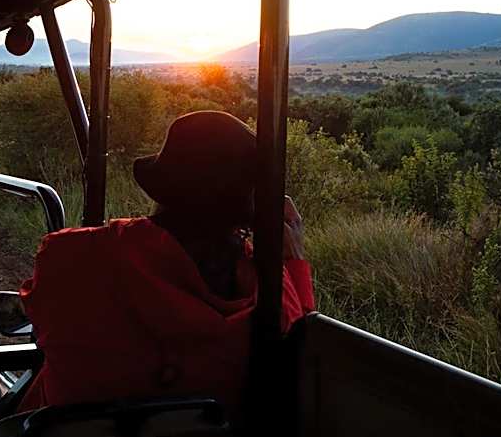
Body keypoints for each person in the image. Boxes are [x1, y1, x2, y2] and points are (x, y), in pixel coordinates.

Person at [18, 110, 315, 417]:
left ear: (163, 187)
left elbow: (42, 323)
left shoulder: (68, 255)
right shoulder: (270, 296)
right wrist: (292, 262)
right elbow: (304, 361)